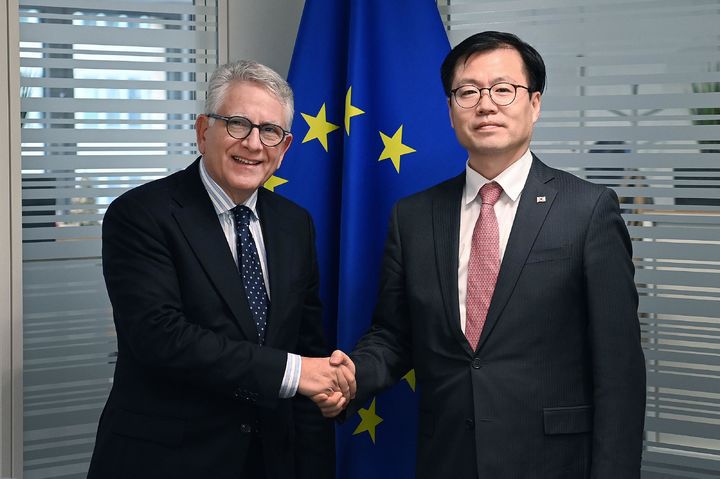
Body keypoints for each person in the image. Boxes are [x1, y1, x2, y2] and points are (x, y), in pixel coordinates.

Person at [316, 31, 646, 478]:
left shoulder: (588, 210)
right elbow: (394, 335)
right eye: (468, 92)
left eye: (503, 89)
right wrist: (354, 377)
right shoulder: (413, 217)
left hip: (554, 463)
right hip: (448, 457)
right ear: (451, 110)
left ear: (535, 104)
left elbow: (619, 369)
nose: (485, 105)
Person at [87, 60, 354, 479]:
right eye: (237, 124)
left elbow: (307, 346)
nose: (253, 144)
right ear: (202, 132)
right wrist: (296, 373)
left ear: (284, 148)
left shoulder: (294, 224)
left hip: (271, 461)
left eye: (270, 131)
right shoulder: (140, 214)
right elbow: (161, 338)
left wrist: (323, 392)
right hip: (168, 463)